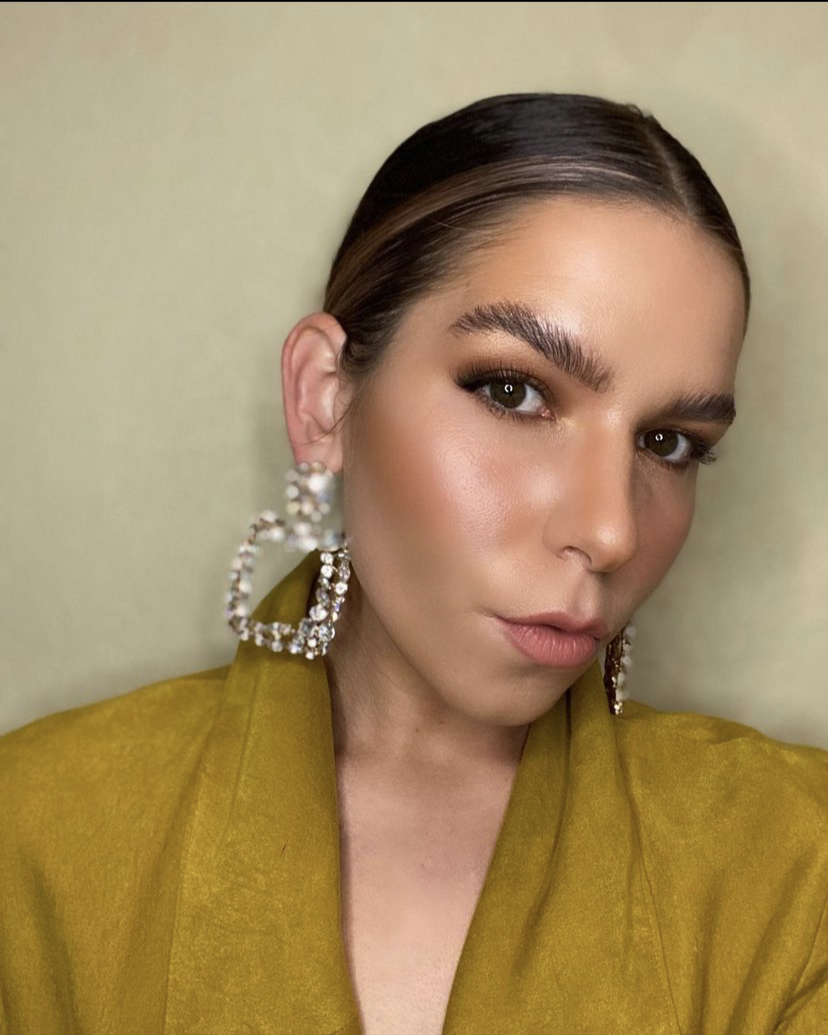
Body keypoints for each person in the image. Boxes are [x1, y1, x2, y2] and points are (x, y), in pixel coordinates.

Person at [1, 92, 826, 1035]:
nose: (609, 531)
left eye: (669, 442)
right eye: (513, 391)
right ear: (324, 400)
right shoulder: (33, 838)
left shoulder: (796, 866)